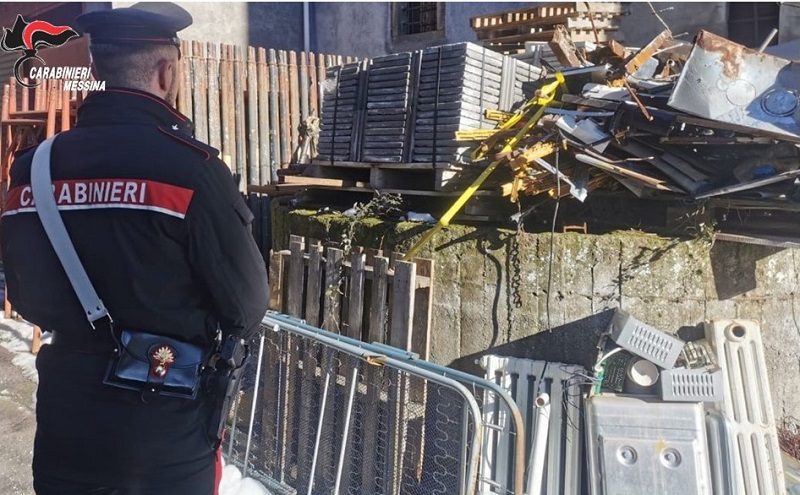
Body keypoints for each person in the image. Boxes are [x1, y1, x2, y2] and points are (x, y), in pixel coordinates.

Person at [0, 3, 269, 494]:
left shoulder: (33, 170)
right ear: (167, 73)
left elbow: (24, 293)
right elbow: (246, 307)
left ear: (96, 71)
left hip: (66, 418)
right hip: (163, 428)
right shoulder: (194, 172)